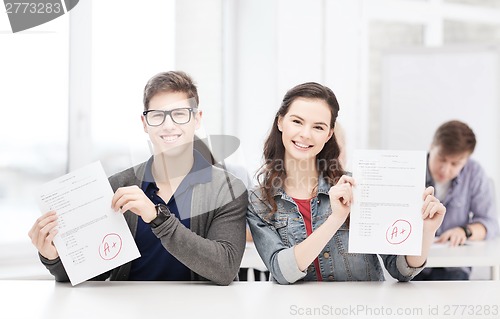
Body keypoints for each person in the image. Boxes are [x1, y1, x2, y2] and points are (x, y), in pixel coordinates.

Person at [28, 71, 248, 285]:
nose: (168, 125)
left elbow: (224, 268)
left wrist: (156, 217)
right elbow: (93, 274)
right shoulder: (118, 186)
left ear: (197, 119)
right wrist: (54, 257)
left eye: (180, 114)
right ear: (144, 123)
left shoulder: (228, 189)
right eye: (157, 115)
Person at [246, 82, 446, 284]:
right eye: (297, 121)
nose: (306, 134)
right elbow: (283, 272)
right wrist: (335, 219)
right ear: (280, 122)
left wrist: (427, 231)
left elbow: (400, 269)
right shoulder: (259, 201)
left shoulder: (358, 186)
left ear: (329, 134)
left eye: (318, 127)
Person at [413, 120, 499, 281]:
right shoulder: (411, 168)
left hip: (454, 265)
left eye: (455, 164)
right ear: (432, 146)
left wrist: (464, 231)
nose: (445, 170)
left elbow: (490, 223)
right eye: (442, 159)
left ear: (466, 160)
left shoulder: (475, 173)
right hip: (415, 265)